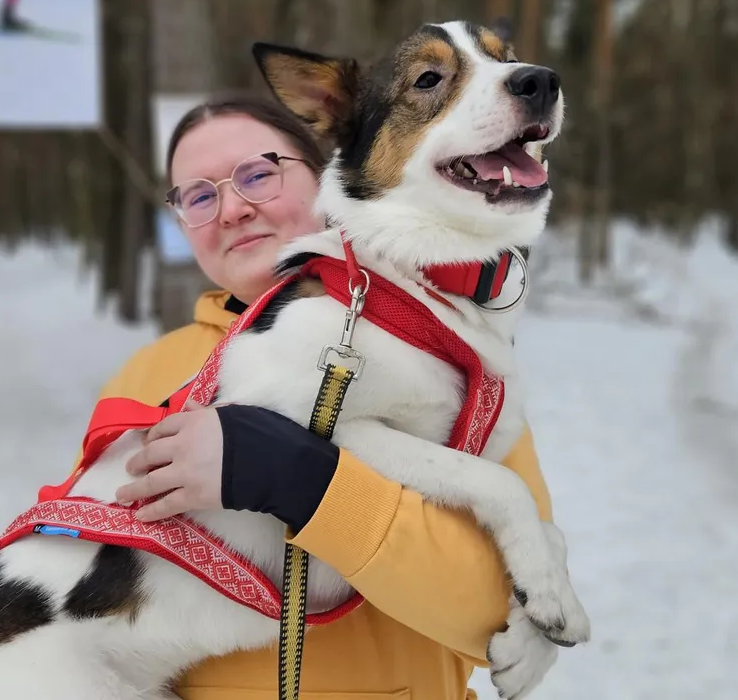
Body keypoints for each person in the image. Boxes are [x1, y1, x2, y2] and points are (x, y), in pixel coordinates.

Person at [84, 96, 556, 699]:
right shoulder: (145, 375)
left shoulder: (454, 351)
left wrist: (312, 485)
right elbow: (89, 606)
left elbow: (502, 609)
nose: (232, 208)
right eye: (199, 197)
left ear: (325, 174)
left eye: (258, 174)